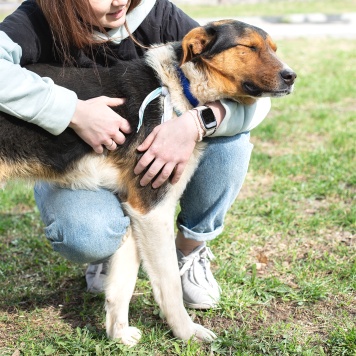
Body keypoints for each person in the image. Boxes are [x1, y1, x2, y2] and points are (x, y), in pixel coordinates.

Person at [0, 0, 271, 309]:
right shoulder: (39, 17)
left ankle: (190, 251)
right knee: (87, 234)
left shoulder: (160, 16)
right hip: (71, 162)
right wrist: (72, 111)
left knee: (229, 139)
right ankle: (110, 249)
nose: (120, 1)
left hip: (148, 156)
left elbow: (258, 94)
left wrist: (197, 123)